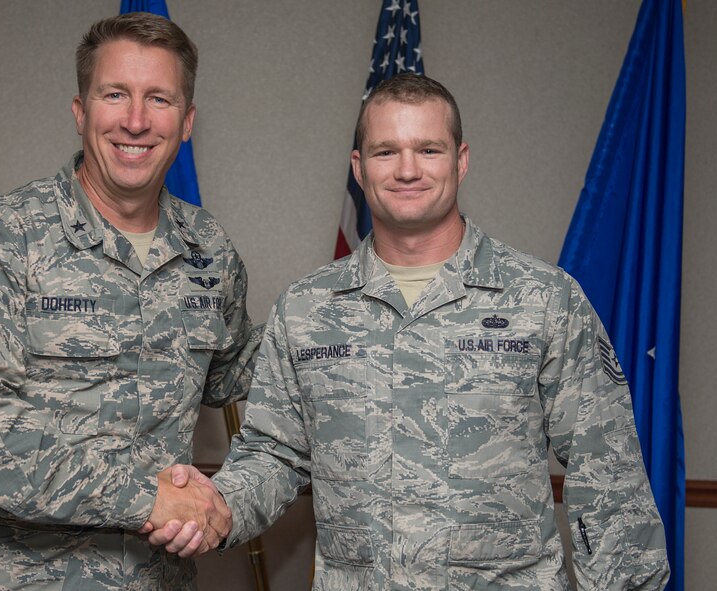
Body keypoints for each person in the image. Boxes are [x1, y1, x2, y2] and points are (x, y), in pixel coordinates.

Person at [151, 74, 670, 589]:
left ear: (460, 160)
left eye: (428, 149)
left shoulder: (544, 299)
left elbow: (607, 472)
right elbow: (274, 453)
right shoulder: (306, 310)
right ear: (359, 167)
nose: (406, 170)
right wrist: (218, 507)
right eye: (385, 152)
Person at [0, 12, 256, 590]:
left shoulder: (210, 253)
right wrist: (143, 497)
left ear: (187, 121)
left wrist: (340, 327)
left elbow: (241, 372)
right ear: (80, 112)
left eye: (160, 99)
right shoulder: (1, 238)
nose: (137, 120)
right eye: (115, 94)